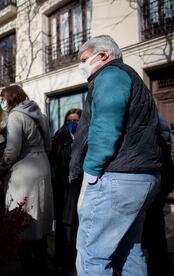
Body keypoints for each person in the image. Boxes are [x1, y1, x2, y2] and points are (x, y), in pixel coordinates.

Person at [69, 35, 161, 276]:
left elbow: (106, 128)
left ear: (102, 56)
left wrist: (90, 174)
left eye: (84, 59)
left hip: (116, 178)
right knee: (129, 253)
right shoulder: (131, 79)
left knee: (92, 257)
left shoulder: (110, 75)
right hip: (140, 177)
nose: (81, 65)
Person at [0, 84, 54, 275]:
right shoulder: (40, 115)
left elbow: (11, 150)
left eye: (3, 99)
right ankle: (41, 258)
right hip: (42, 166)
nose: (1, 104)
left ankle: (27, 264)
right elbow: (49, 145)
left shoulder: (15, 116)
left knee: (23, 216)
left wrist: (0, 169)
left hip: (25, 170)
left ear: (11, 99)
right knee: (40, 210)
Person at [50, 108, 81, 275]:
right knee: (62, 226)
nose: (72, 123)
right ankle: (61, 261)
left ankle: (73, 261)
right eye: (69, 120)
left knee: (75, 226)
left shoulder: (85, 137)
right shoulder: (59, 138)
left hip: (77, 187)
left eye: (76, 120)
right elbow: (54, 161)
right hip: (62, 188)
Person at [142, 116, 174, 276]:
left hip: (155, 180)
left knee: (150, 228)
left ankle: (156, 267)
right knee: (156, 226)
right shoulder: (160, 121)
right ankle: (161, 266)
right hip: (163, 179)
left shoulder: (150, 121)